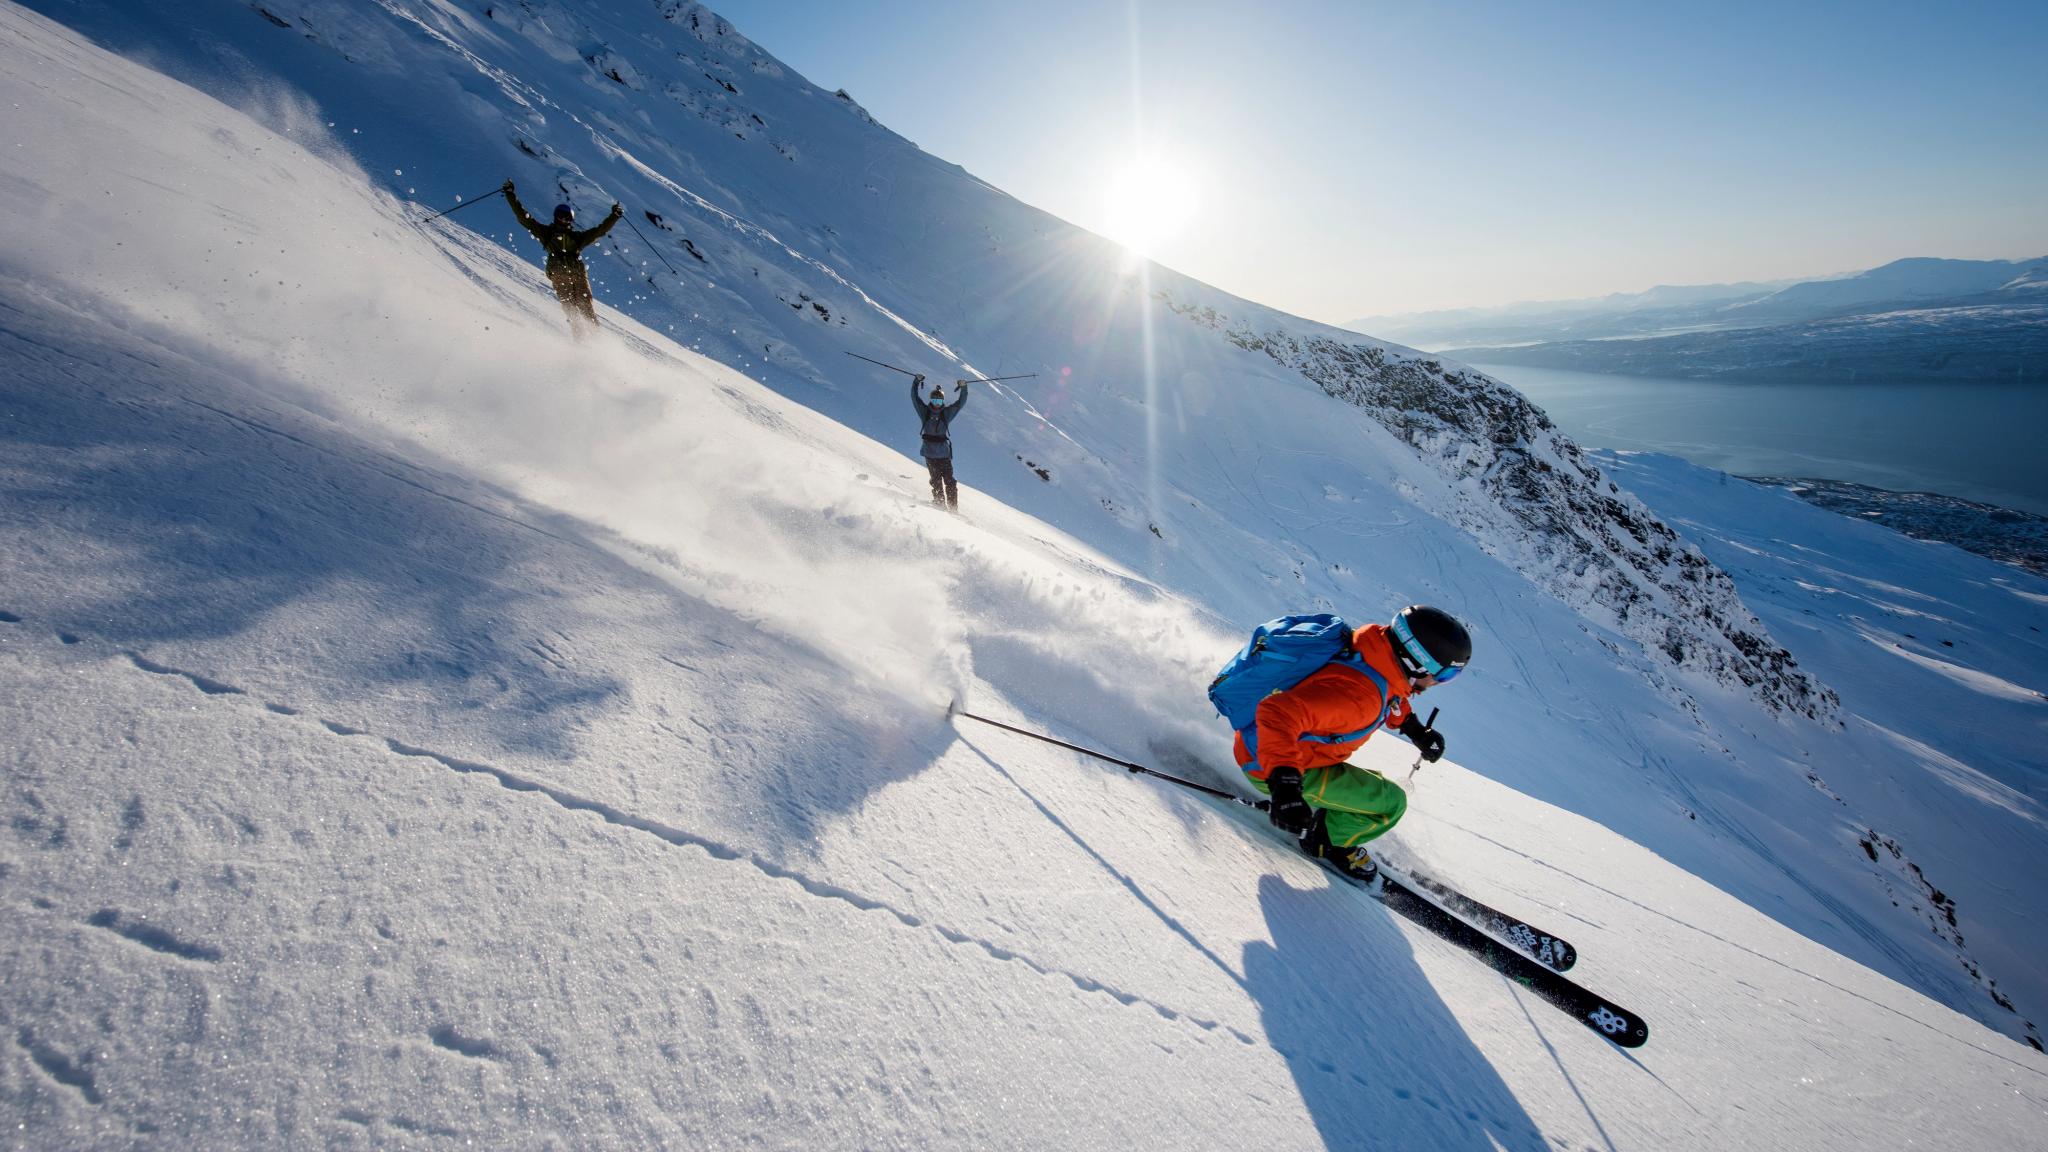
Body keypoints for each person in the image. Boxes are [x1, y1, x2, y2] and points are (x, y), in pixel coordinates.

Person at [1236, 606, 1470, 881]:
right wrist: (1285, 787)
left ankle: (1325, 812)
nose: (1438, 683)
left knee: (1371, 784)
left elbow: (1390, 693)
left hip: (1261, 748)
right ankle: (1326, 840)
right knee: (1391, 804)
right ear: (1418, 662)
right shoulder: (1361, 700)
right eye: (1443, 675)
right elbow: (1277, 712)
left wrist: (1413, 728)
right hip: (1275, 767)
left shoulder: (1371, 652)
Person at [502, 180, 623, 337]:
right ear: (556, 218)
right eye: (562, 217)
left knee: (586, 307)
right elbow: (525, 218)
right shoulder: (547, 233)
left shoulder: (577, 237)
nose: (564, 221)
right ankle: (580, 342)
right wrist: (510, 195)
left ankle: (596, 339)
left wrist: (614, 216)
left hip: (577, 275)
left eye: (568, 218)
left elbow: (600, 231)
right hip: (560, 273)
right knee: (571, 310)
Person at [911, 374, 969, 509]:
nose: (937, 405)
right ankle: (939, 505)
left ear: (942, 402)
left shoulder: (946, 413)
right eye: (935, 401)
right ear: (931, 400)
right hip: (930, 454)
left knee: (950, 482)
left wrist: (964, 388)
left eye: (939, 402)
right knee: (936, 482)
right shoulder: (924, 412)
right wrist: (916, 382)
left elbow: (960, 403)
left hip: (943, 455)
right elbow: (915, 398)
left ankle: (953, 508)